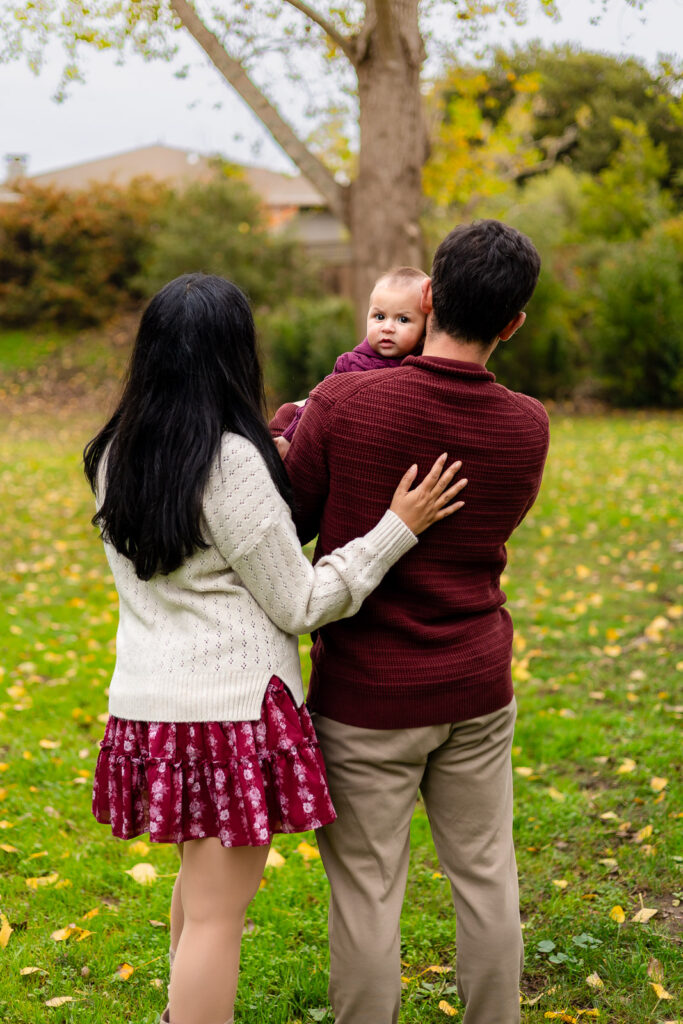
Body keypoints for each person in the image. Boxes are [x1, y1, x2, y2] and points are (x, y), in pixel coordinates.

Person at [83, 273, 467, 1024]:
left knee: (200, 892)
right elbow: (301, 602)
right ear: (234, 355)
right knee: (220, 915)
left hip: (147, 708)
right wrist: (396, 527)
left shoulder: (112, 452)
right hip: (229, 713)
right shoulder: (229, 464)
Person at [278, 220, 550, 1024]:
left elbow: (286, 521)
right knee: (485, 871)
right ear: (512, 323)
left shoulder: (346, 400)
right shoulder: (527, 424)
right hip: (474, 684)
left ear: (428, 299)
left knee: (366, 888)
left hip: (366, 694)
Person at [275, 265, 428, 445]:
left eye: (403, 319)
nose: (387, 328)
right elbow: (316, 405)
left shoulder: (422, 366)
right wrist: (290, 437)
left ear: (425, 328)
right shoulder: (350, 364)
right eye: (379, 316)